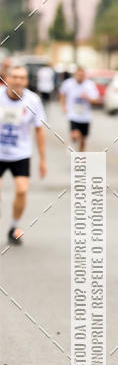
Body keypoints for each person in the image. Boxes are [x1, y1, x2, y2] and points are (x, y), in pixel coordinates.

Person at [0, 66, 47, 244]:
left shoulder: (33, 100)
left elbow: (39, 130)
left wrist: (42, 159)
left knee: (21, 190)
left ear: (26, 81)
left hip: (20, 153)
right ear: (7, 78)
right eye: (15, 77)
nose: (18, 81)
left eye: (22, 78)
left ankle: (14, 227)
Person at [59, 66, 100, 152]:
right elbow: (62, 93)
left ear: (84, 75)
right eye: (78, 75)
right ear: (75, 75)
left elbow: (96, 99)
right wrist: (63, 106)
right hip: (73, 115)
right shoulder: (68, 83)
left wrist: (87, 98)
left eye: (82, 75)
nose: (80, 77)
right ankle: (73, 140)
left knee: (83, 140)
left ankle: (80, 159)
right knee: (75, 135)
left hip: (85, 116)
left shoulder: (89, 85)